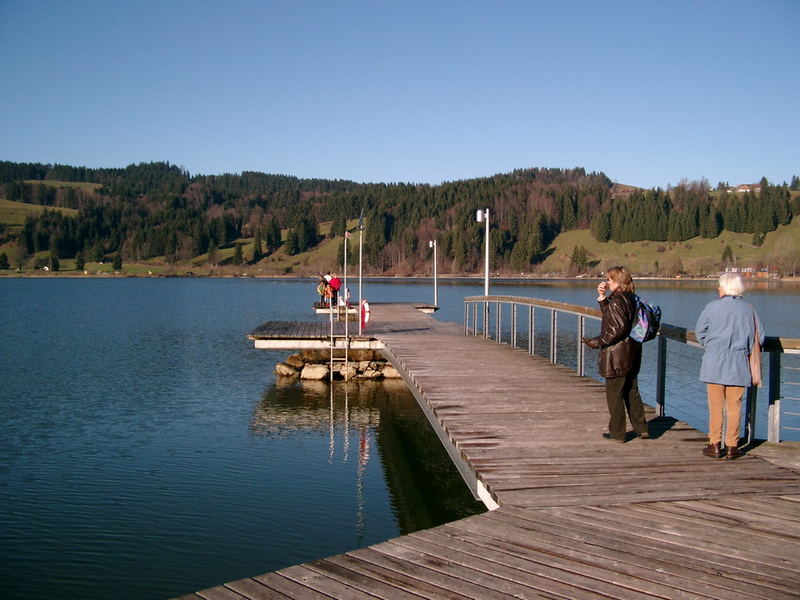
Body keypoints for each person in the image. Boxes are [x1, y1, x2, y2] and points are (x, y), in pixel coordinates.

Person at [695, 272, 764, 460]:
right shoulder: (749, 309)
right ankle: (732, 446)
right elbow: (760, 338)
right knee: (735, 407)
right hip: (739, 363)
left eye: (719, 286)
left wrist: (712, 345)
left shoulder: (712, 307)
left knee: (715, 407)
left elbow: (700, 333)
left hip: (714, 361)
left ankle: (714, 444)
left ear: (724, 288)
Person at [582, 266, 648, 442]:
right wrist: (603, 299)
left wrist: (596, 342)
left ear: (618, 282)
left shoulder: (618, 300)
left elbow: (616, 329)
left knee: (615, 394)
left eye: (609, 280)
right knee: (631, 390)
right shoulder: (632, 298)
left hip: (618, 355)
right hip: (633, 352)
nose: (606, 282)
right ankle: (642, 428)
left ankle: (617, 433)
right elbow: (614, 318)